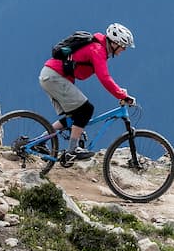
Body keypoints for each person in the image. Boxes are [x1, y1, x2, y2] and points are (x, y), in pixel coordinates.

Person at [38, 23, 136, 165]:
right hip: (54, 77)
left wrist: (120, 93)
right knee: (86, 110)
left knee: (73, 118)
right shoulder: (98, 50)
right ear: (114, 43)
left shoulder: (98, 48)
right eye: (123, 46)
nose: (124, 49)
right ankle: (73, 150)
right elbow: (105, 78)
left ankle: (40, 141)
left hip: (51, 76)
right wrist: (122, 95)